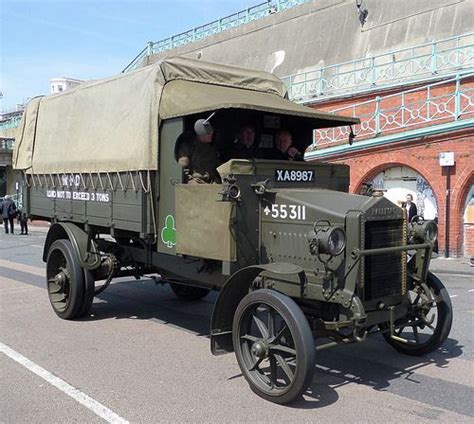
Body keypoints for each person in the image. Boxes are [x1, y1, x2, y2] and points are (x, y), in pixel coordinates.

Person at [175, 118, 220, 184]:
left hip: (212, 180)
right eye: (208, 133)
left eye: (211, 132)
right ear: (200, 134)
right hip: (197, 180)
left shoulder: (211, 146)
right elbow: (182, 163)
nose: (211, 135)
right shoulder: (189, 145)